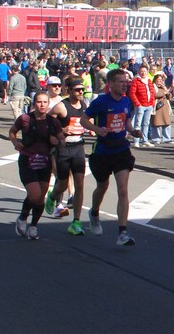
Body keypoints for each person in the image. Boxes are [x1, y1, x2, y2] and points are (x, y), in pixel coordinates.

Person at [81, 68, 142, 246]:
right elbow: (84, 120)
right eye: (121, 82)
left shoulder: (126, 100)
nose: (125, 85)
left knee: (123, 190)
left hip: (121, 150)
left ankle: (122, 232)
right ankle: (94, 212)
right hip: (102, 151)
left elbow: (126, 121)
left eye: (126, 82)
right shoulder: (101, 102)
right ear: (111, 84)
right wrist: (96, 129)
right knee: (102, 187)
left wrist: (133, 131)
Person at [9, 91, 62, 240]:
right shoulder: (24, 119)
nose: (42, 105)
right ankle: (22, 217)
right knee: (34, 195)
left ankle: (33, 226)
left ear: (48, 104)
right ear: (34, 103)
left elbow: (62, 140)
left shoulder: (53, 122)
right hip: (28, 160)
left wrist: (57, 141)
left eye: (45, 102)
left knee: (40, 198)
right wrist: (16, 143)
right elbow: (12, 132)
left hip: (44, 161)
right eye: (39, 102)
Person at [48, 76, 90, 235]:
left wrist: (91, 128)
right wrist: (61, 131)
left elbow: (86, 120)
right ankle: (52, 196)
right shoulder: (61, 106)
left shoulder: (84, 105)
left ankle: (76, 222)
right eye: (77, 90)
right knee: (63, 184)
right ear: (69, 90)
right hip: (63, 148)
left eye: (82, 90)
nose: (81, 92)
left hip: (78, 147)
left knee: (80, 184)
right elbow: (47, 123)